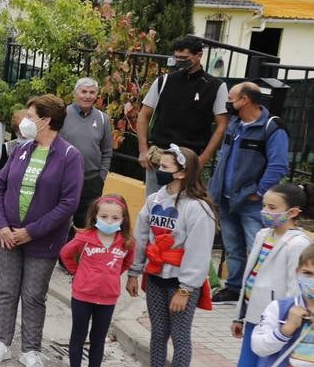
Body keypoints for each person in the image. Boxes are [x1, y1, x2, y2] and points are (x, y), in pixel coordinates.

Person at [203, 183, 312, 367]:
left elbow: (294, 286)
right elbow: (250, 277)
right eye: (265, 206)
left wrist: (288, 322)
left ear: (294, 212)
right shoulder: (264, 234)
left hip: (279, 320)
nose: (265, 211)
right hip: (254, 315)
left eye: (272, 208)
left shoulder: (298, 244)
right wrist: (240, 316)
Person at [0, 95, 83, 367]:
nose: (25, 121)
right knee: (6, 291)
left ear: (46, 120)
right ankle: (0, 342)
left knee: (33, 295)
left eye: (31, 116)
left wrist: (30, 232)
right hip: (7, 235)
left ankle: (31, 349)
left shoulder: (69, 156)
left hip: (42, 239)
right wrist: (3, 225)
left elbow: (69, 204)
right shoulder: (21, 149)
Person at [125, 144, 218, 367]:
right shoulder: (155, 200)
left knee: (179, 335)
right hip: (156, 276)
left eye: (166, 167)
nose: (160, 171)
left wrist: (187, 289)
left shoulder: (198, 208)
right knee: (158, 332)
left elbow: (199, 252)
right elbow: (142, 237)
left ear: (182, 173)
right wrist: (135, 270)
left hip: (180, 282)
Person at [209, 81, 290, 303]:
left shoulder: (272, 127)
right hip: (227, 199)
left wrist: (259, 193)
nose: (227, 103)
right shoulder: (235, 125)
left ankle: (257, 293)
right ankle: (234, 288)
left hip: (252, 202)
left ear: (245, 100)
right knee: (233, 247)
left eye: (232, 98)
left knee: (257, 247)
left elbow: (279, 165)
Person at [58, 194, 134, 367]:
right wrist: (78, 273)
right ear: (95, 216)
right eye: (104, 216)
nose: (109, 222)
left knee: (98, 338)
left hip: (108, 298)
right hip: (83, 295)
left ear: (123, 219)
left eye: (115, 218)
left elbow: (127, 263)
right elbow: (65, 254)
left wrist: (111, 277)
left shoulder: (125, 242)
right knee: (78, 335)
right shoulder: (85, 237)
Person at [135, 35, 228, 189]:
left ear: (199, 56)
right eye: (177, 57)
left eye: (184, 57)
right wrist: (143, 150)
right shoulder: (163, 81)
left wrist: (202, 160)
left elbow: (221, 126)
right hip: (159, 155)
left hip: (190, 158)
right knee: (155, 205)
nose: (179, 61)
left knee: (184, 207)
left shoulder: (216, 86)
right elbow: (143, 116)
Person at [60, 78, 115, 233]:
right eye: (84, 91)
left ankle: (81, 257)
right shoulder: (62, 114)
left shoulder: (103, 119)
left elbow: (107, 151)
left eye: (92, 92)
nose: (87, 96)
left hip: (91, 182)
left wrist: (101, 177)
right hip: (65, 179)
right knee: (62, 223)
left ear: (97, 95)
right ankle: (63, 256)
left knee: (85, 226)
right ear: (75, 93)